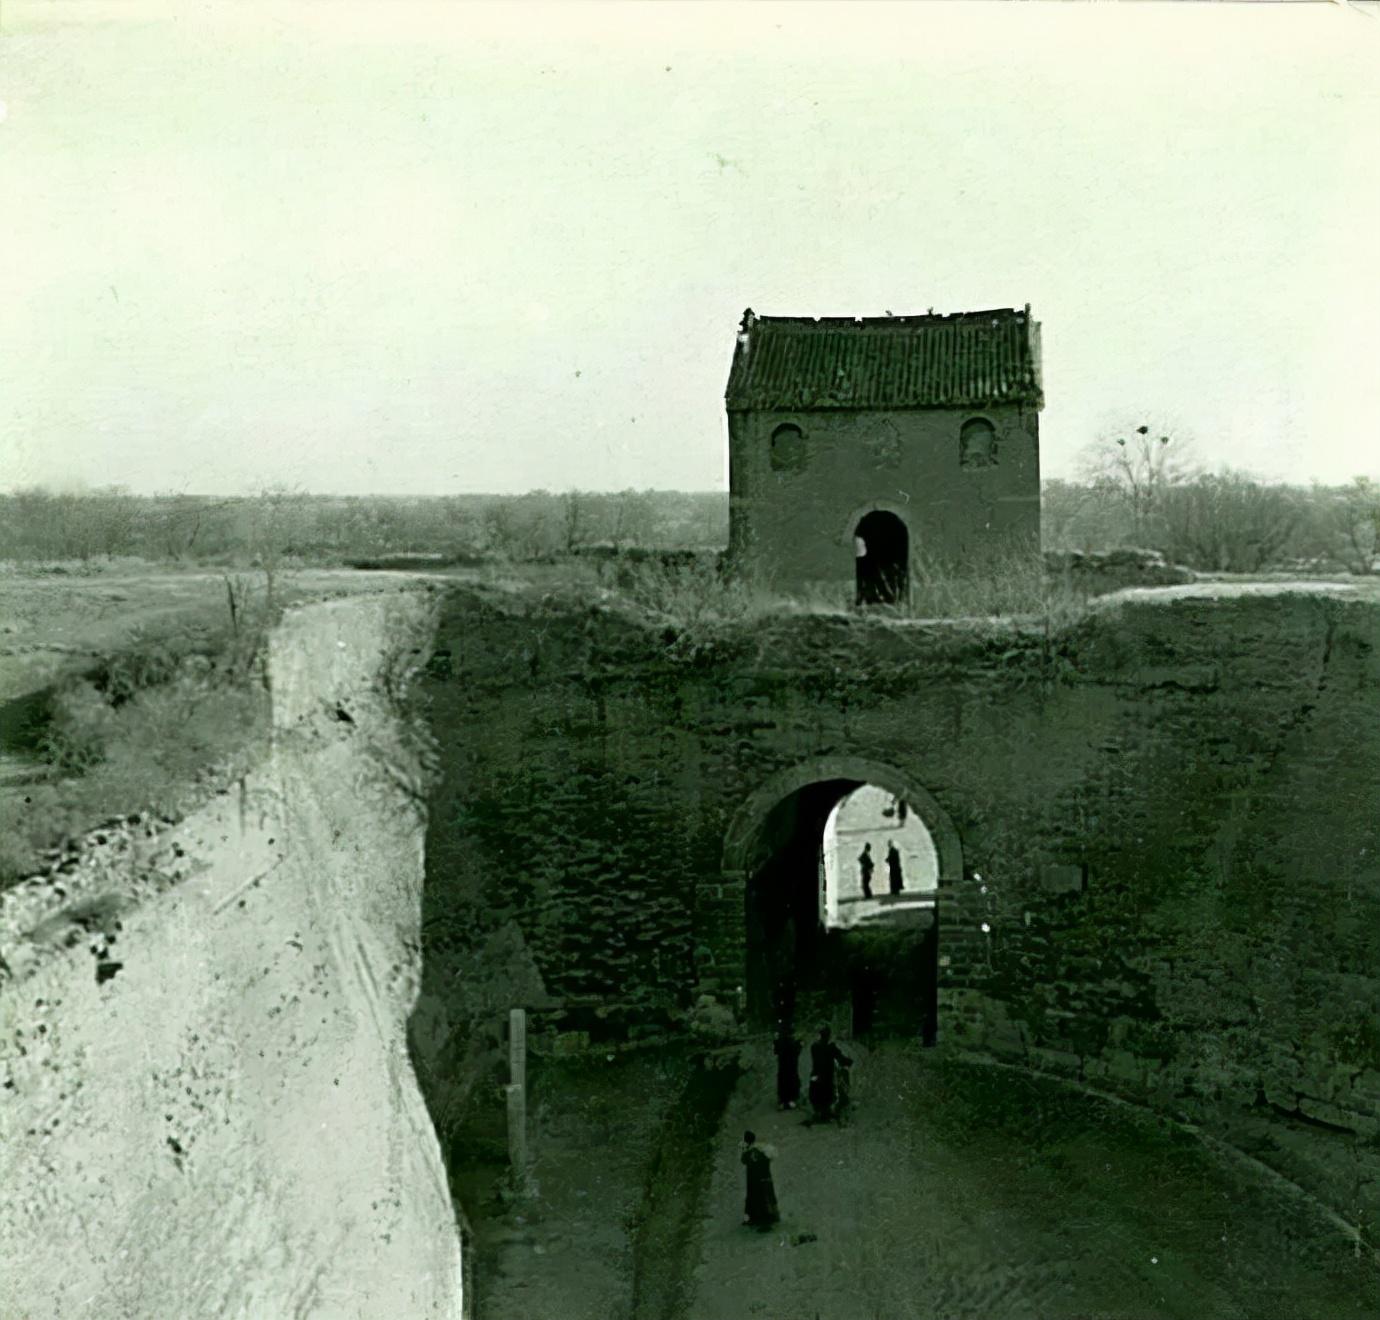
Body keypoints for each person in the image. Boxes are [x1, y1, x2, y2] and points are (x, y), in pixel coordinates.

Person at [807, 1025, 852, 1123]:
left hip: (816, 1074)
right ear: (828, 1036)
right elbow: (840, 1058)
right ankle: (824, 1112)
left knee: (816, 1091)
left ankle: (819, 1111)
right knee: (827, 1092)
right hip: (826, 1075)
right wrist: (849, 1062)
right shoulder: (830, 1048)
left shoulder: (814, 1047)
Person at [741, 1131, 779, 1230]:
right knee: (768, 1198)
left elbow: (744, 1160)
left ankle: (754, 1219)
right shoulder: (763, 1150)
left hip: (754, 1181)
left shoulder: (748, 1153)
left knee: (754, 1199)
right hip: (765, 1178)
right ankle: (772, 1217)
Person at [773, 1021, 803, 1110]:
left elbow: (775, 1051)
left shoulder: (780, 1041)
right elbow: (797, 1052)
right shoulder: (793, 1042)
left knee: (783, 1081)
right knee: (792, 1080)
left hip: (783, 1066)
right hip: (791, 1066)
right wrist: (800, 1044)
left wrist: (775, 1041)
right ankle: (791, 1100)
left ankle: (783, 1101)